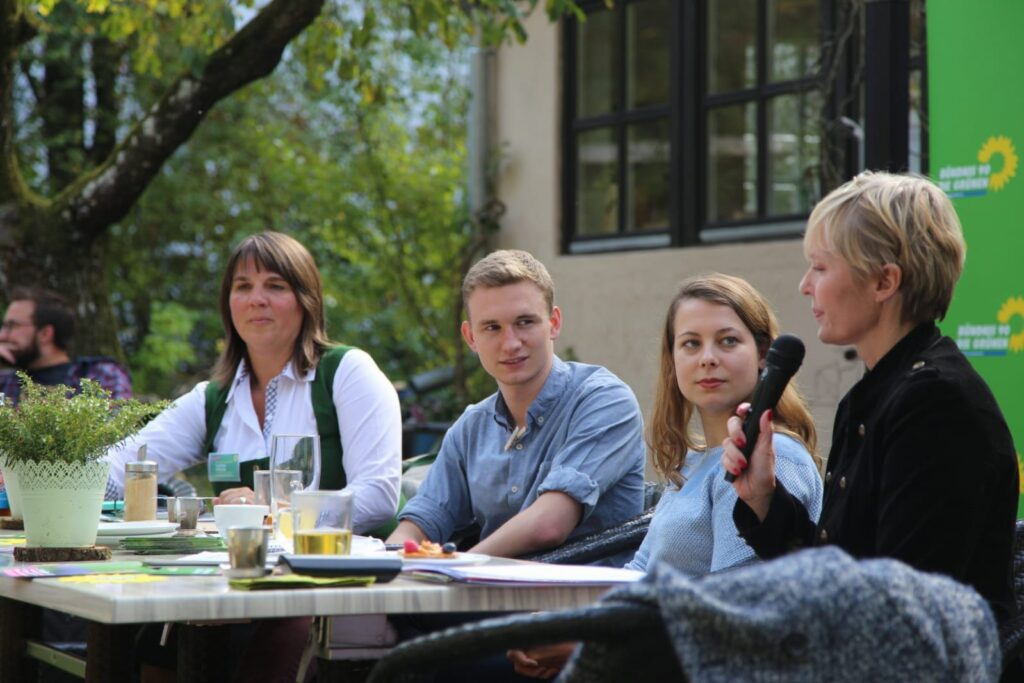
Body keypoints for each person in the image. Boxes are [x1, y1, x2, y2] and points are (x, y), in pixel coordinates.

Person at [723, 171, 1019, 624]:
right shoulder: (880, 393)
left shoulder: (935, 405)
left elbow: (893, 611)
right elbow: (836, 569)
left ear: (884, 282)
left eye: (820, 267)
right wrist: (763, 496)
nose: (805, 285)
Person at [509, 273, 824, 679]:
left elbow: (733, 615)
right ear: (673, 359)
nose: (707, 357)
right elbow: (637, 577)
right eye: (691, 343)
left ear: (763, 354)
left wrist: (581, 643)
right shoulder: (694, 464)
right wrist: (559, 625)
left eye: (728, 341)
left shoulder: (773, 458)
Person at [103, 231, 401, 533]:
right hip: (249, 574)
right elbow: (118, 468)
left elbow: (378, 496)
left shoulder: (347, 372)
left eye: (275, 286)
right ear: (228, 304)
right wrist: (65, 478)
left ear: (306, 300)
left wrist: (270, 509)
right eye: (243, 286)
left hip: (357, 573)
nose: (257, 300)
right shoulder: (211, 401)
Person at [388, 249, 645, 559]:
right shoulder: (471, 428)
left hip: (585, 601)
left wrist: (464, 567)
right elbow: (421, 522)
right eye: (492, 327)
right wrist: (388, 560)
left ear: (554, 323)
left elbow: (550, 524)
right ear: (471, 337)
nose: (510, 343)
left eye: (524, 322)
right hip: (487, 598)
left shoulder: (604, 401)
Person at [0, 286, 133, 404]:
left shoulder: (100, 374)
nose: (2, 336)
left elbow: (115, 425)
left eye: (12, 326)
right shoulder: (5, 382)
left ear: (45, 333)